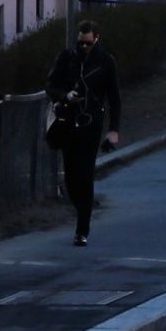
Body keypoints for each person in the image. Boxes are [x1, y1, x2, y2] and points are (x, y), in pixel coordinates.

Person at [45, 19, 124, 246]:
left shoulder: (105, 61)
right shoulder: (67, 58)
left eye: (87, 44)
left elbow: (115, 98)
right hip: (69, 120)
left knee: (85, 173)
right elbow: (51, 85)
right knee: (71, 176)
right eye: (80, 43)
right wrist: (65, 96)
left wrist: (114, 130)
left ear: (96, 39)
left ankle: (82, 229)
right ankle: (81, 208)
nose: (83, 48)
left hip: (91, 123)